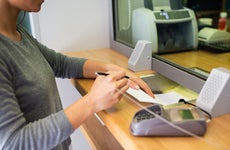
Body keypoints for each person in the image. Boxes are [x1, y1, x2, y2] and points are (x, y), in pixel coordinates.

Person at [0, 0, 154, 149]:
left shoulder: (18, 33)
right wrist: (92, 101)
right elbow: (14, 143)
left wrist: (113, 69)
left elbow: (60, 63)